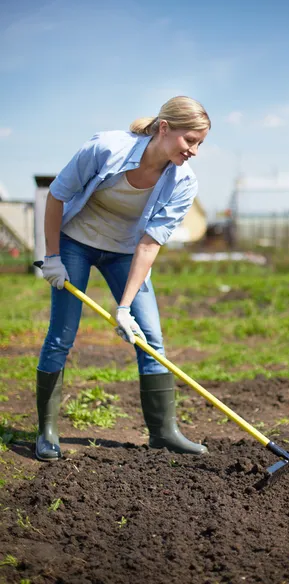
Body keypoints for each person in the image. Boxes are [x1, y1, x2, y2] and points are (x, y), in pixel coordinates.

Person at [36, 96, 210, 461]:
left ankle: (163, 433)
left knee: (151, 338)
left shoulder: (183, 182)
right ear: (164, 128)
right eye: (189, 140)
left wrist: (125, 306)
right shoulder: (106, 149)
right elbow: (56, 195)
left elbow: (149, 244)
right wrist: (52, 257)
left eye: (200, 143)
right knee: (61, 336)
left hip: (125, 251)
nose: (194, 150)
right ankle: (47, 431)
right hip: (75, 244)